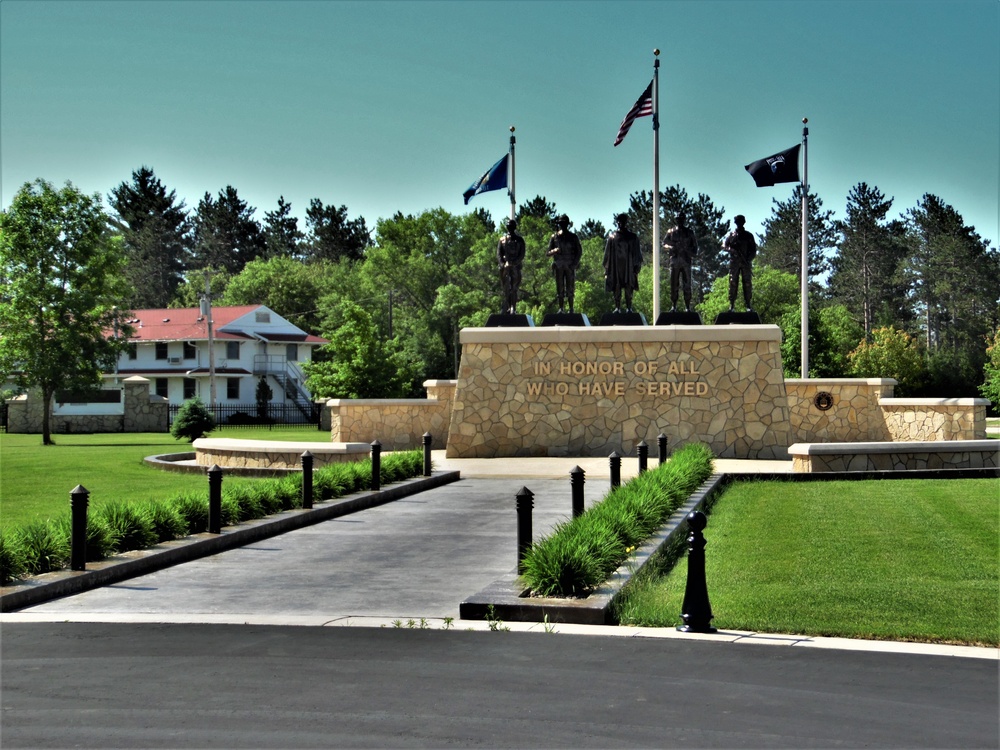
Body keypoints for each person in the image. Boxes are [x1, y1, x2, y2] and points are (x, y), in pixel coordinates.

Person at [603, 213, 643, 312]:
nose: (621, 223)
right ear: (617, 222)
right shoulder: (612, 237)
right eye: (619, 221)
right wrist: (607, 269)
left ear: (626, 222)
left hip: (628, 266)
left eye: (623, 221)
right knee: (616, 286)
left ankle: (629, 307)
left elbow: (637, 252)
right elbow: (607, 254)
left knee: (629, 286)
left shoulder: (632, 237)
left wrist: (637, 266)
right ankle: (617, 307)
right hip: (616, 266)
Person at [546, 214, 582, 313]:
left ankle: (571, 308)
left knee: (570, 288)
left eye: (564, 223)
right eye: (561, 223)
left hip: (570, 265)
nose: (562, 225)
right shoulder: (555, 236)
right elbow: (548, 253)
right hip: (559, 265)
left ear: (567, 224)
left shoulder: (573, 237)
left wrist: (574, 264)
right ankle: (561, 308)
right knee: (560, 288)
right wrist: (555, 250)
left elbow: (579, 251)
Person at [663, 212, 698, 311]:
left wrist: (690, 252)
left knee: (687, 284)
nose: (680, 220)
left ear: (684, 219)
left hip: (686, 261)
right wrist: (672, 247)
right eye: (678, 219)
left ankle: (687, 307)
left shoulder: (690, 232)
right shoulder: (671, 231)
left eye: (682, 219)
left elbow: (695, 247)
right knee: (674, 284)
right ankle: (673, 306)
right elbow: (664, 243)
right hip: (674, 260)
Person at [724, 214, 757, 310]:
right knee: (733, 282)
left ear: (744, 222)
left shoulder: (748, 235)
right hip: (734, 262)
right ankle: (732, 304)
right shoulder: (731, 235)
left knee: (747, 283)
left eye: (741, 222)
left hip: (745, 262)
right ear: (735, 223)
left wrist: (748, 259)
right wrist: (731, 249)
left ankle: (748, 304)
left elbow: (753, 250)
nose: (739, 224)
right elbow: (724, 246)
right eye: (738, 222)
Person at [496, 218, 526, 314]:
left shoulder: (520, 240)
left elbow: (522, 254)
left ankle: (513, 307)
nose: (510, 228)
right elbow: (499, 254)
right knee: (506, 288)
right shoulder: (502, 240)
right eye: (509, 226)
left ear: (514, 227)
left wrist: (514, 263)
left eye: (512, 226)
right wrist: (503, 264)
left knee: (514, 288)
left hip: (515, 266)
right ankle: (508, 307)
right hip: (505, 267)